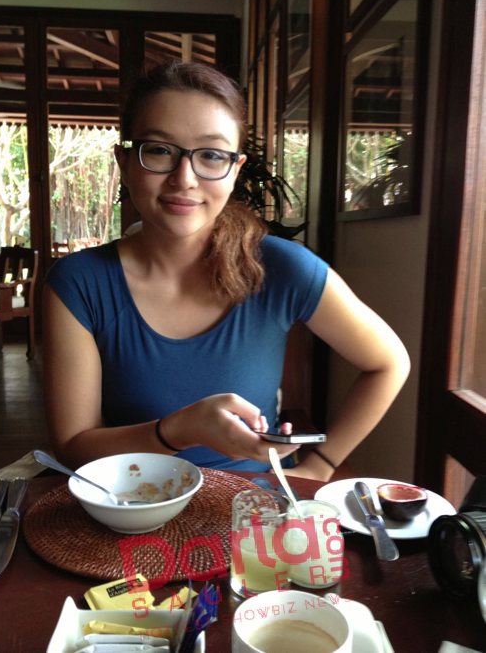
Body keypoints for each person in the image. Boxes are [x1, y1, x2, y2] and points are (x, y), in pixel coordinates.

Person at [43, 61, 410, 481]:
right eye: (160, 150)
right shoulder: (79, 283)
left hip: (255, 507)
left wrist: (320, 465)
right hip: (129, 502)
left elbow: (389, 364)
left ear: (235, 170)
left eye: (212, 156)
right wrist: (177, 431)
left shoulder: (282, 268)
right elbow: (73, 446)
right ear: (125, 161)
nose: (184, 178)